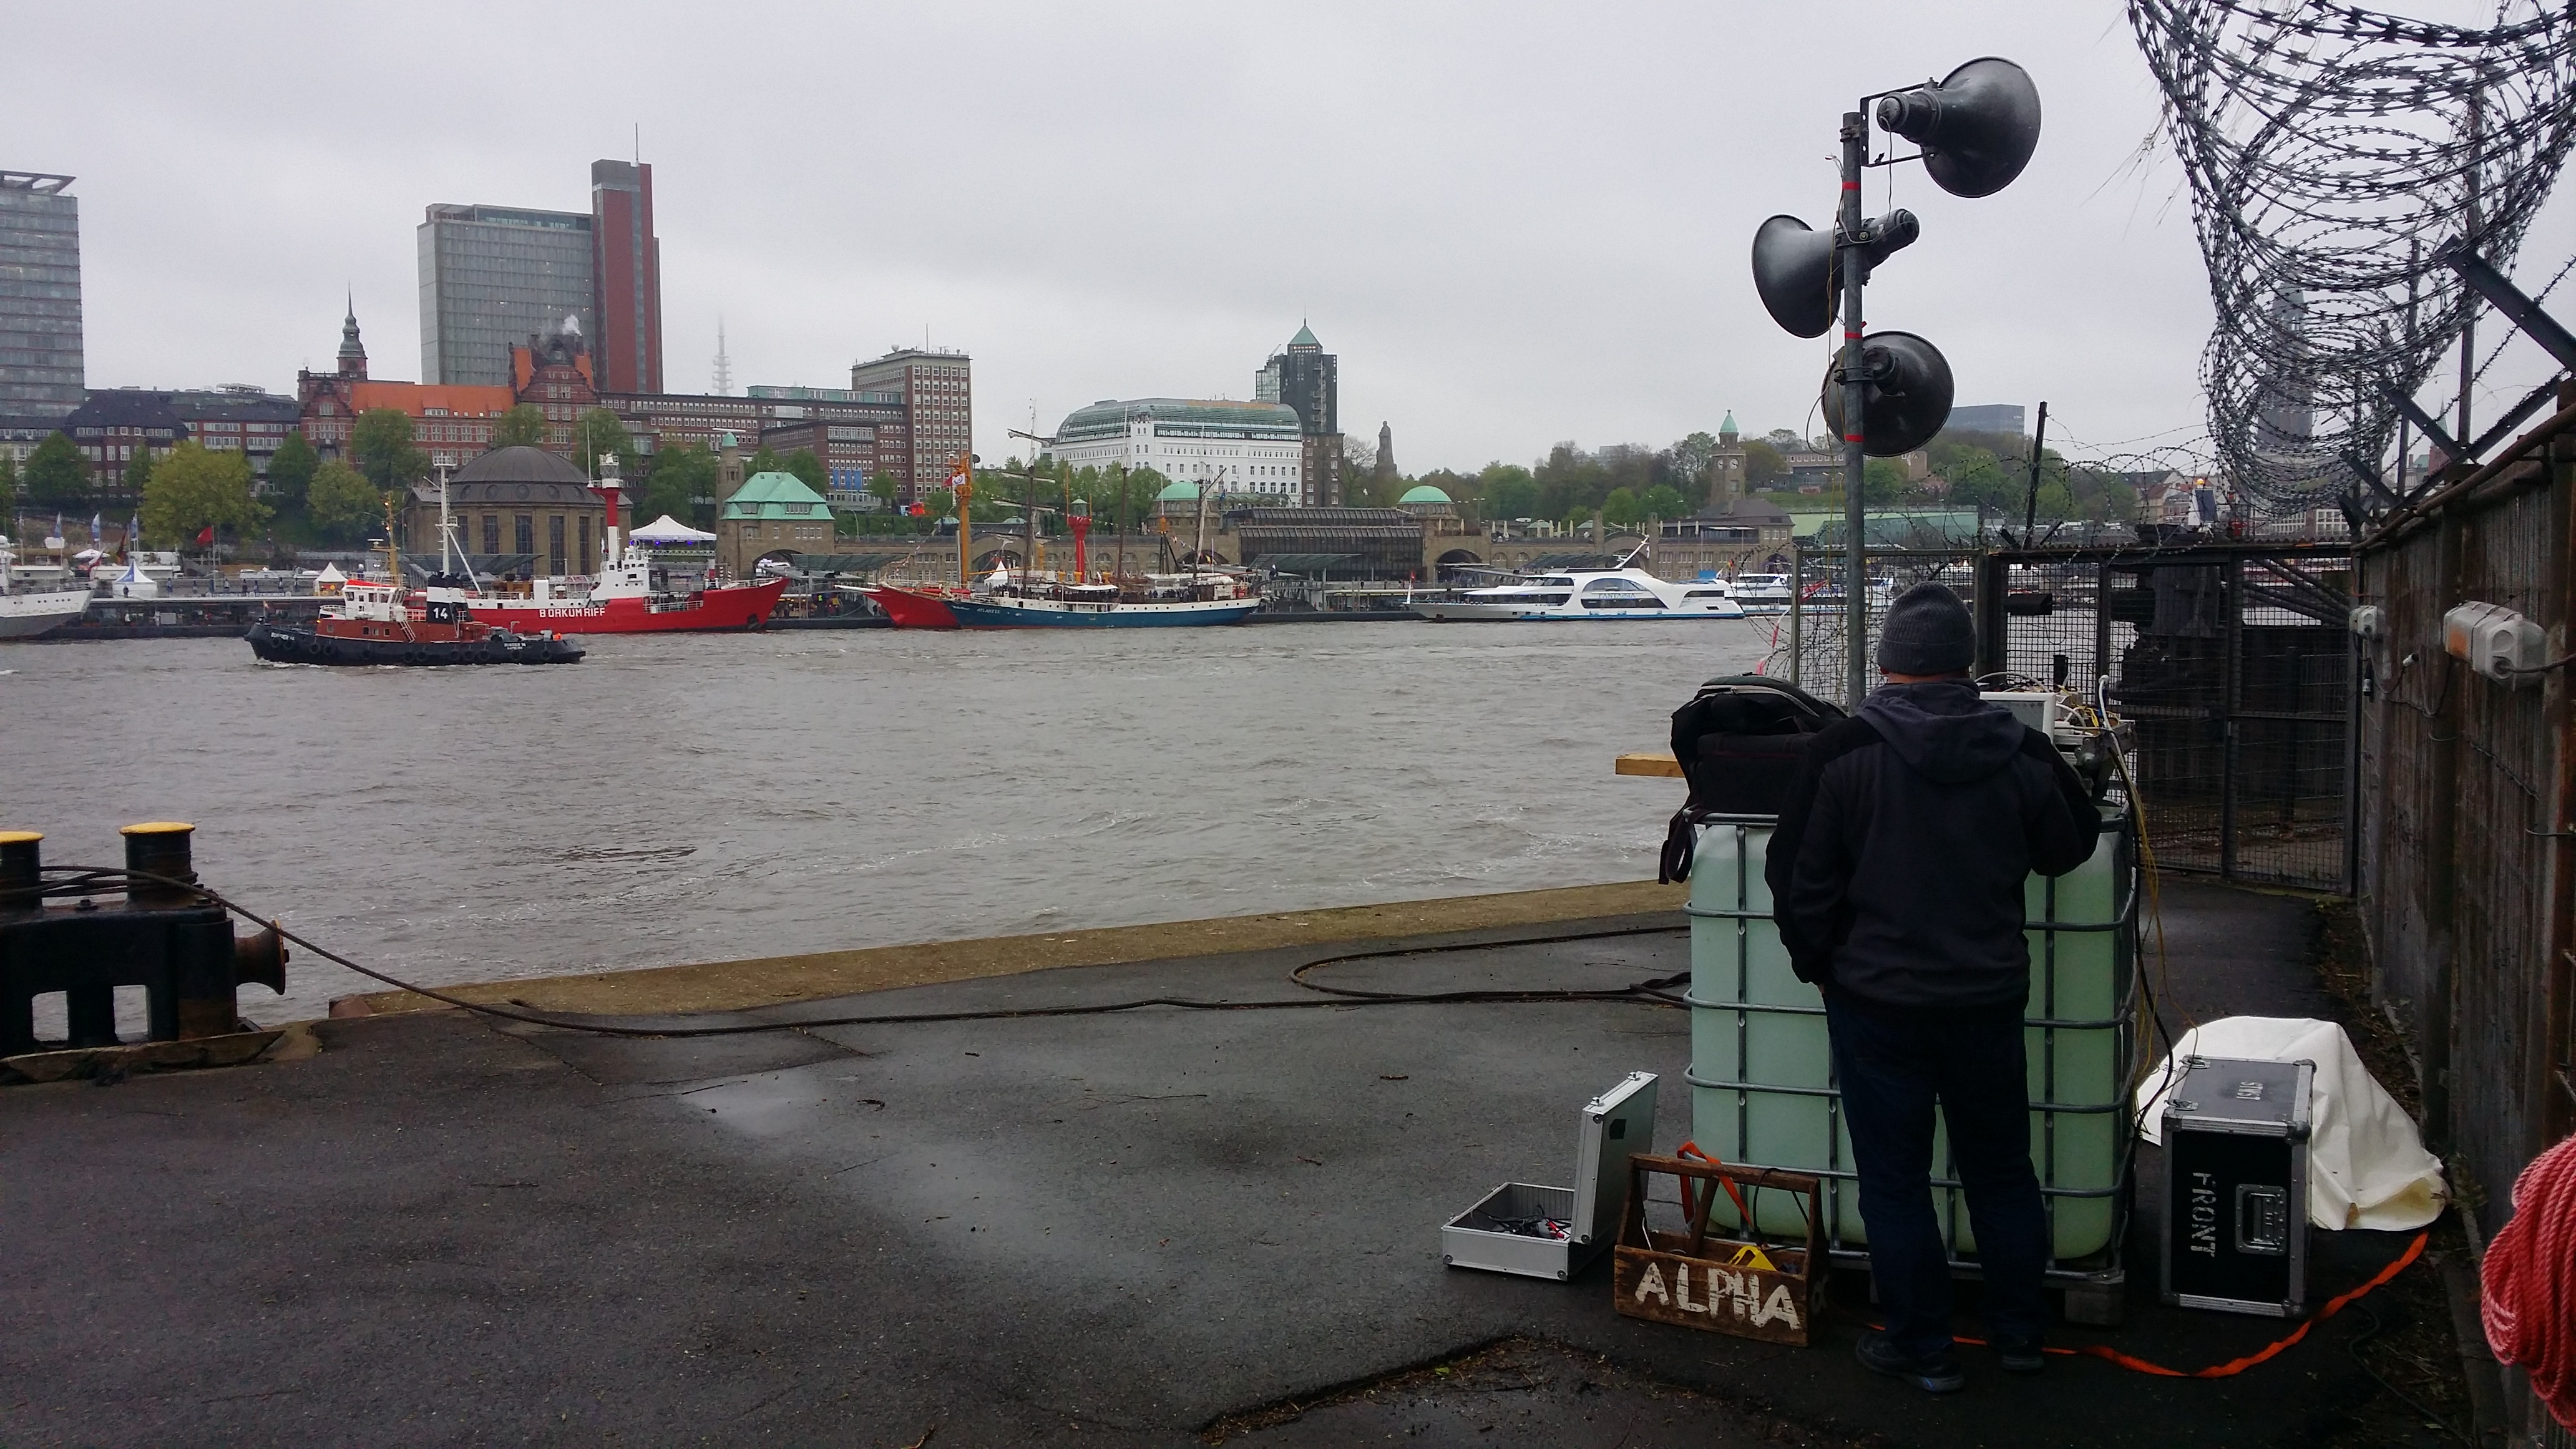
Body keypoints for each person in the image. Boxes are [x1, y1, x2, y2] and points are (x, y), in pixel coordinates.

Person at [1764, 582, 2100, 1394]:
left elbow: (1795, 881)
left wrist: (1826, 967)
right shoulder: (2023, 750)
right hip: (1987, 999)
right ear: (1969, 665)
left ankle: (1923, 1345)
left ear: (1885, 661)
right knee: (2000, 1169)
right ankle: (2020, 1333)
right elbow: (2070, 843)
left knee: (1895, 1178)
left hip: (1877, 1003)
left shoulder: (1840, 752)